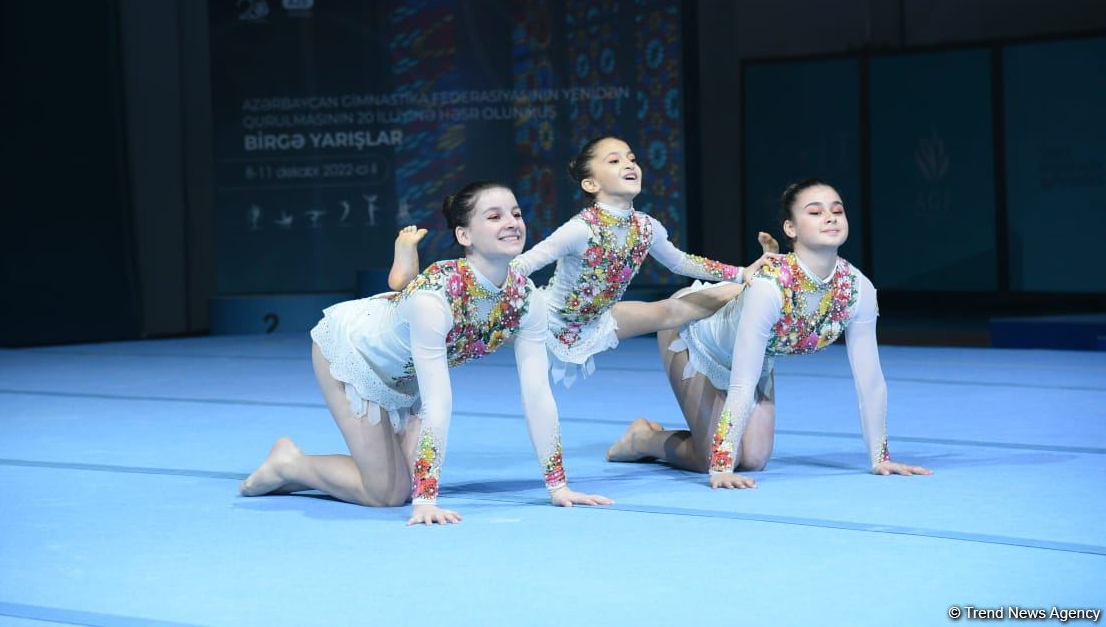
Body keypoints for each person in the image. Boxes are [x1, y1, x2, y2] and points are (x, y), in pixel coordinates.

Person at [241, 180, 612, 524]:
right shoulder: (436, 295)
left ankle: (312, 474)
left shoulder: (525, 298)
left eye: (516, 213)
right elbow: (439, 400)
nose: (512, 223)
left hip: (407, 375)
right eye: (494, 216)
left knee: (400, 484)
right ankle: (289, 463)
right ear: (464, 234)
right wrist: (426, 501)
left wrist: (558, 486)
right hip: (356, 356)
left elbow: (537, 394)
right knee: (388, 494)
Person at [605, 178, 932, 487]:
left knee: (755, 459)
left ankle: (678, 444)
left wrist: (880, 458)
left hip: (753, 358)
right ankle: (642, 439)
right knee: (715, 458)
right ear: (791, 228)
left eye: (837, 210)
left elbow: (870, 380)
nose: (830, 218)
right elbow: (742, 382)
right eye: (815, 212)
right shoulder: (770, 287)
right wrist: (720, 468)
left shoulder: (857, 289)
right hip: (696, 337)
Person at [389, 135, 780, 384]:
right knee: (462, 328)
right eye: (614, 161)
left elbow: (680, 262)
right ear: (591, 184)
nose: (629, 164)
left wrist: (741, 271)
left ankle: (758, 285)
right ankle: (407, 286)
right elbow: (525, 263)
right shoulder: (581, 229)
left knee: (671, 311)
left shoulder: (647, 227)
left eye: (630, 157)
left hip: (598, 321)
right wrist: (492, 292)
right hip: (545, 317)